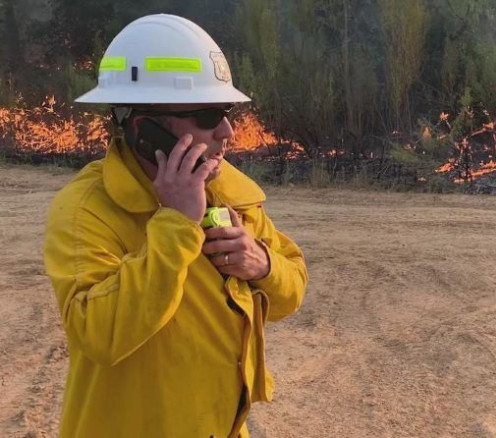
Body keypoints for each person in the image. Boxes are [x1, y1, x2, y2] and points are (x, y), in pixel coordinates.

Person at [42, 14, 307, 438]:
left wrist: (263, 266)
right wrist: (177, 222)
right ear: (145, 130)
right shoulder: (86, 210)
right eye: (207, 114)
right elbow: (101, 335)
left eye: (227, 111)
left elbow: (291, 291)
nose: (228, 131)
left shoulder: (229, 191)